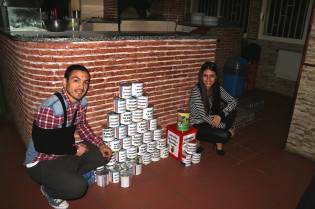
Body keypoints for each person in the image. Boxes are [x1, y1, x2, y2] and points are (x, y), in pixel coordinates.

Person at [24, 64, 112, 209]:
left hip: (64, 153)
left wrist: (100, 144)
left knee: (103, 155)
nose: (81, 87)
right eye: (76, 80)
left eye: (85, 82)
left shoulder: (81, 103)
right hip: (41, 161)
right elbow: (42, 145)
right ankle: (49, 191)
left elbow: (82, 127)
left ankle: (66, 176)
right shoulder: (51, 108)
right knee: (78, 188)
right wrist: (74, 150)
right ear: (65, 82)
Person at [189, 61, 237, 156]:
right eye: (205, 75)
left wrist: (221, 115)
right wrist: (226, 127)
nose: (208, 79)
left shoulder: (217, 88)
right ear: (201, 76)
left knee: (233, 110)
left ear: (216, 77)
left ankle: (219, 143)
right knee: (226, 135)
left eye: (212, 76)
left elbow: (233, 101)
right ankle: (198, 141)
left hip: (212, 118)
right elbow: (204, 117)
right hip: (198, 123)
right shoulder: (196, 91)